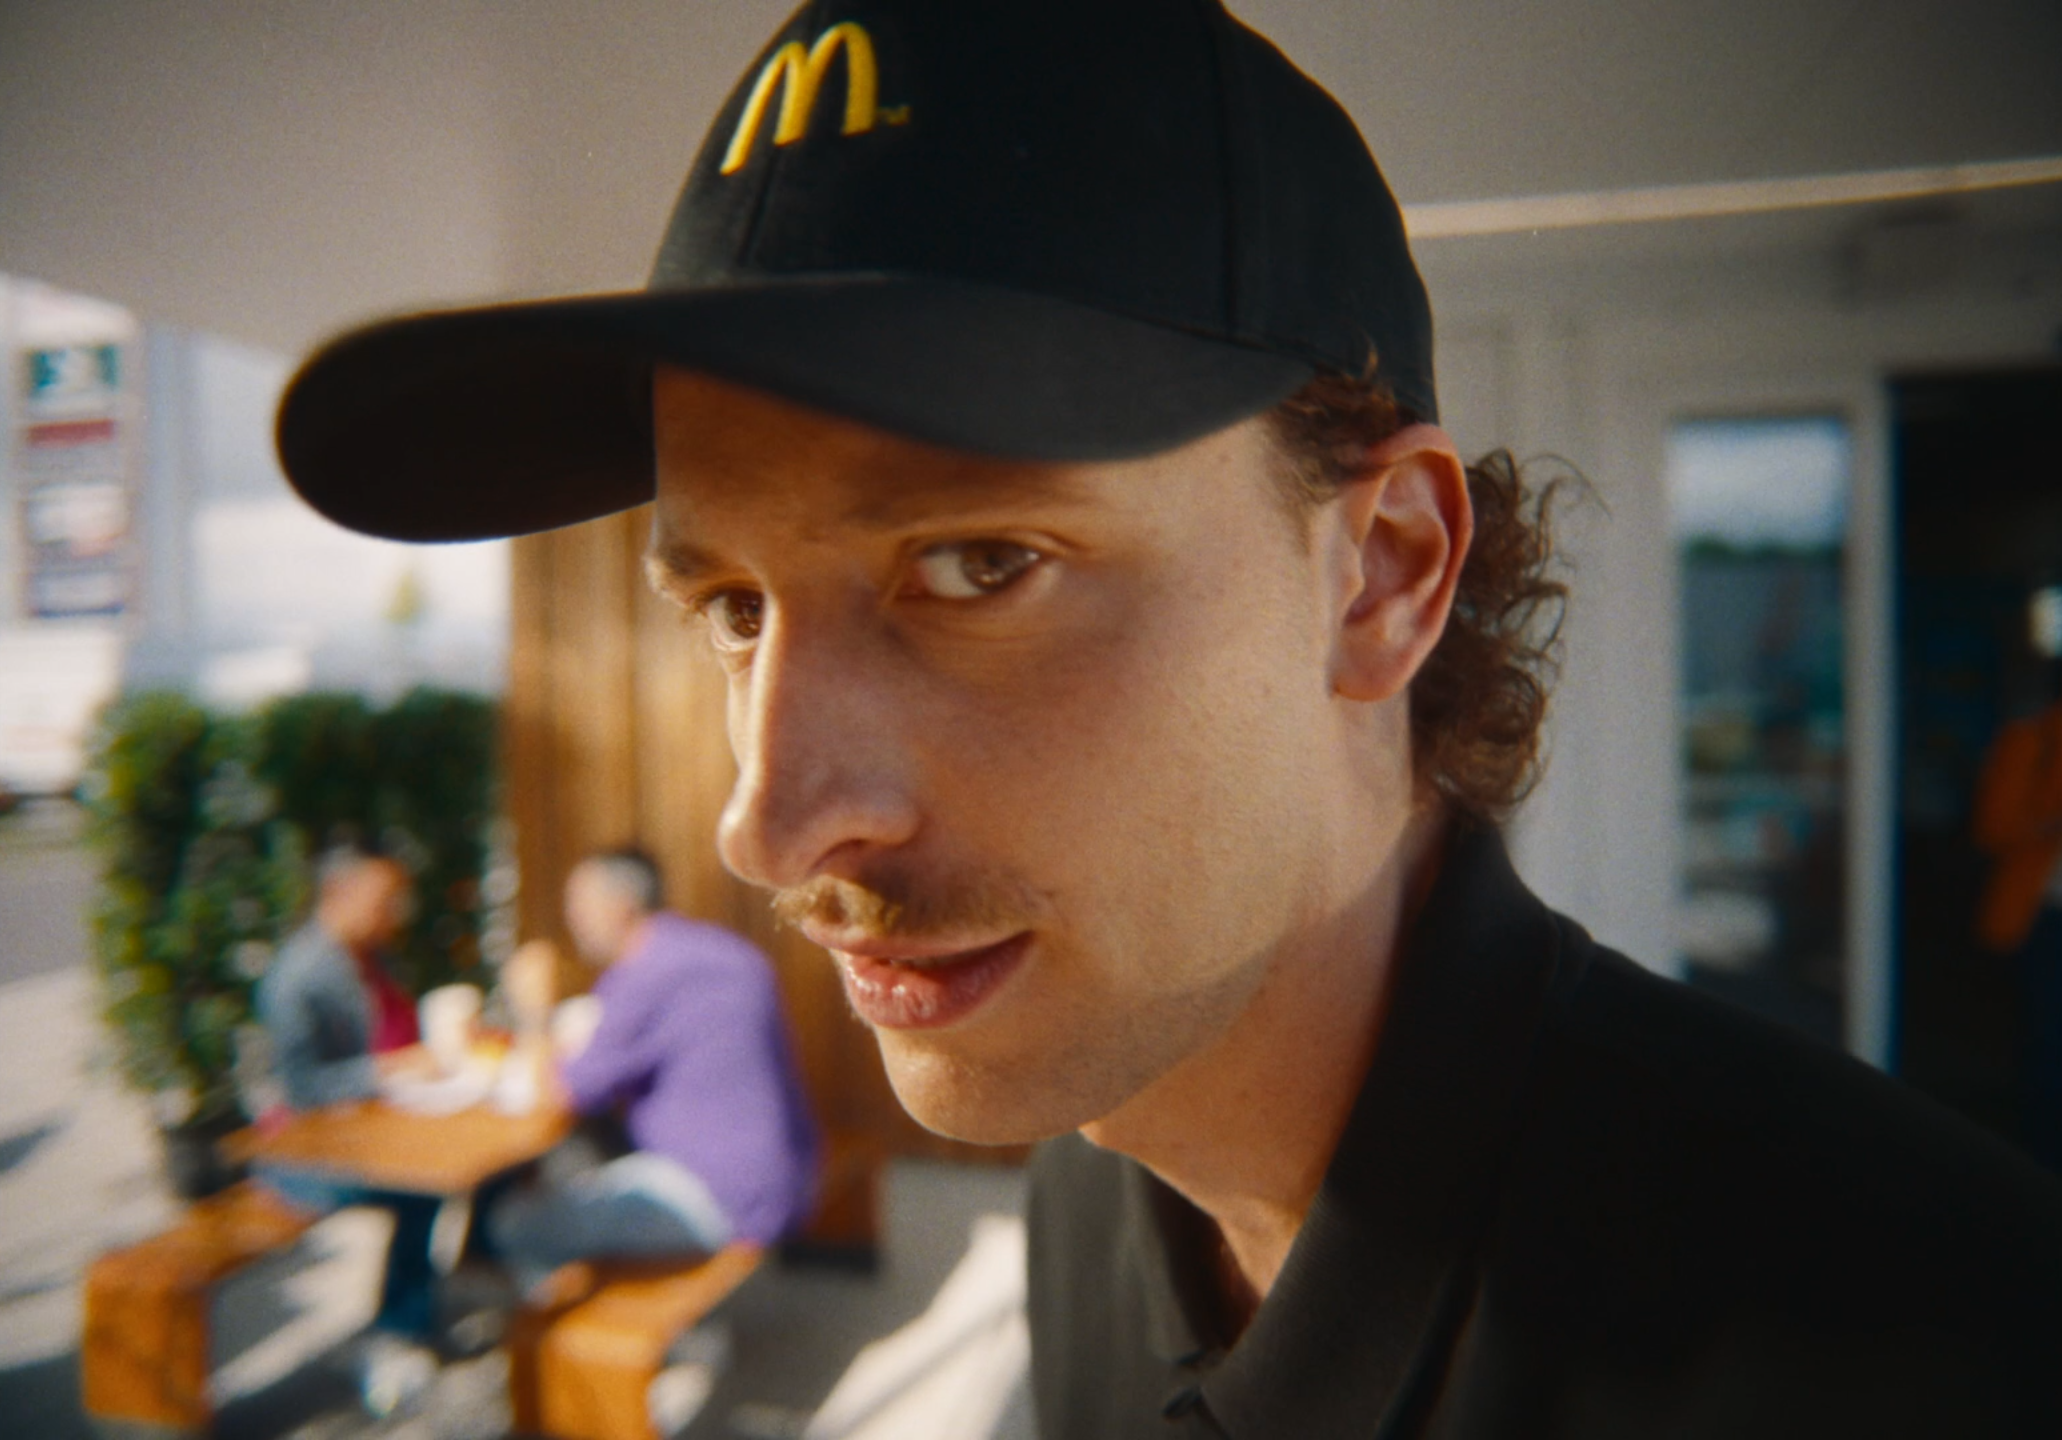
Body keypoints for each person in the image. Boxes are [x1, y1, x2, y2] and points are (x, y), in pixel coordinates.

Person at [274, 1, 2062, 1433]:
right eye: (730, 603)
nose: (766, 817)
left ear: (1381, 571)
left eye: (978, 563)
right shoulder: (1097, 1178)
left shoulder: (1930, 1351)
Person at [488, 848, 819, 1291]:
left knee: (512, 1222)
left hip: (719, 1197)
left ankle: (574, 1342)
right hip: (791, 1173)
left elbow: (563, 1091)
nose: (571, 918)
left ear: (620, 904)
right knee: (586, 1158)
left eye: (578, 903)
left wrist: (532, 1012)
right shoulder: (720, 949)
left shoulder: (645, 972)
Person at [253, 845, 443, 1410]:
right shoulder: (300, 976)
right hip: (302, 1159)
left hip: (369, 1132)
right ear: (339, 895)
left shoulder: (366, 957)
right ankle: (396, 1333)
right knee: (422, 1188)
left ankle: (408, 1319)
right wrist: (387, 1070)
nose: (396, 914)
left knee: (436, 1177)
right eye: (385, 901)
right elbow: (302, 1090)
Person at [1974, 668, 2062, 1173]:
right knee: (2048, 1044)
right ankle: (2040, 1164)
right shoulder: (2030, 741)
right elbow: (1994, 828)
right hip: (2046, 919)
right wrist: (2050, 822)